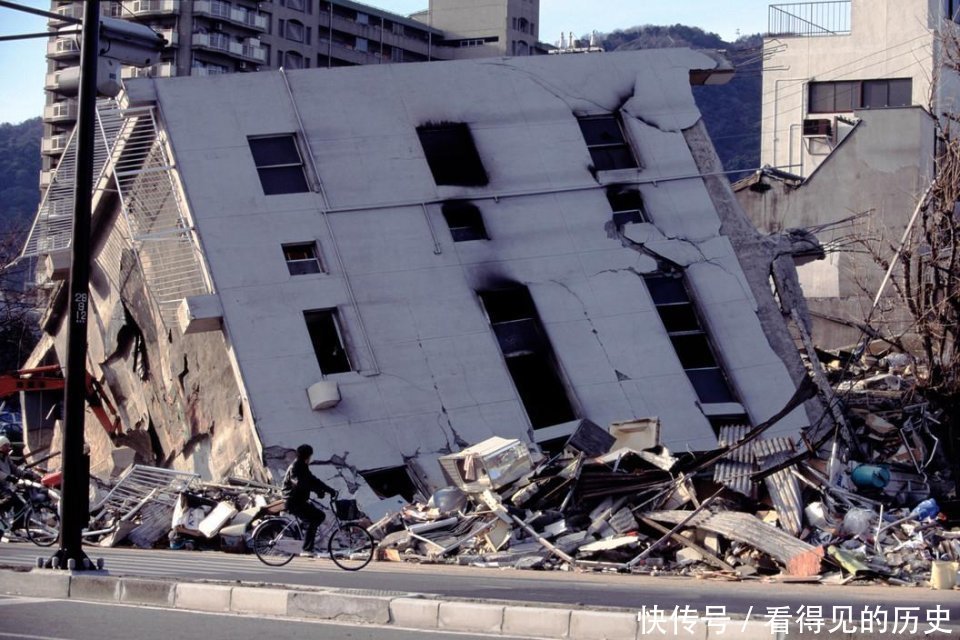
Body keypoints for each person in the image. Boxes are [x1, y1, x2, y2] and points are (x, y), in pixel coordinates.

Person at [281, 444, 335, 557]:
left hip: (298, 500)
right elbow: (299, 483)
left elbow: (313, 480)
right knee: (314, 519)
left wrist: (329, 490)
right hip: (293, 501)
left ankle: (305, 535)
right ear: (308, 456)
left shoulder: (302, 466)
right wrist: (317, 491)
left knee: (319, 516)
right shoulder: (295, 467)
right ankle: (306, 548)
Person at [0, 435, 33, 528]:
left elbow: (14, 469)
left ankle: (16, 527)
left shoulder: (6, 457)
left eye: (8, 445)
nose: (8, 447)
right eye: (5, 445)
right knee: (9, 498)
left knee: (20, 504)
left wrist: (25, 474)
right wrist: (9, 477)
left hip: (5, 485)